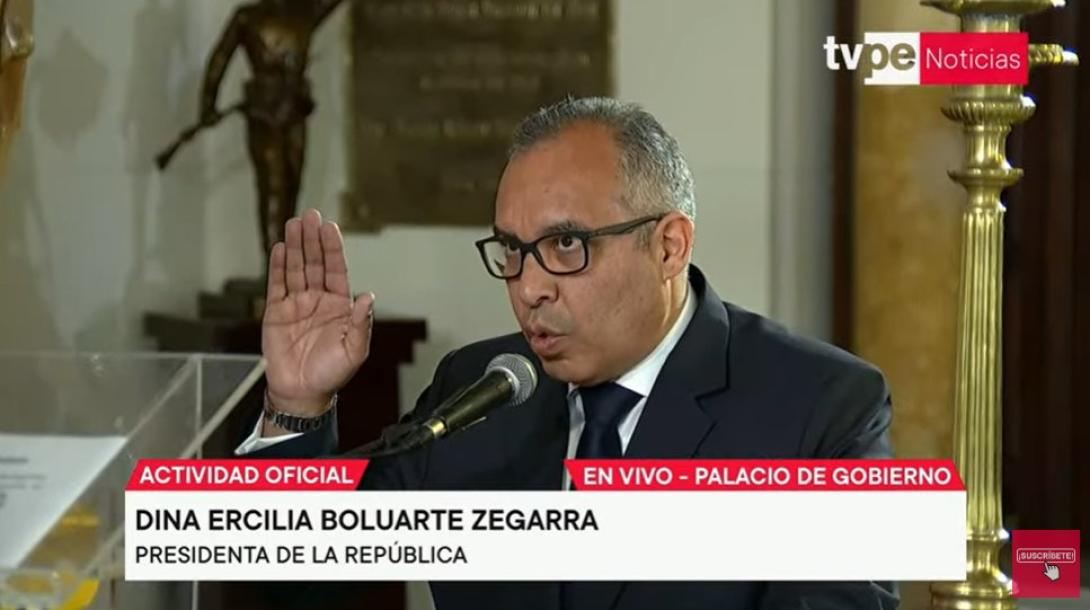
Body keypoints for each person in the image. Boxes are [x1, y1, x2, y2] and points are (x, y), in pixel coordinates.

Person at [241, 97, 899, 610]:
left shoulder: (818, 408)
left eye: (565, 246)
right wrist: (296, 402)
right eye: (513, 251)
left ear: (669, 246)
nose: (529, 287)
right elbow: (303, 578)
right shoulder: (478, 388)